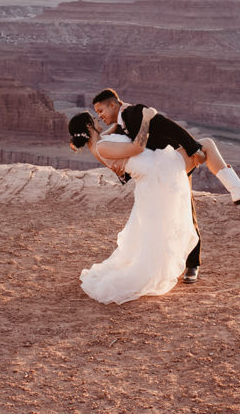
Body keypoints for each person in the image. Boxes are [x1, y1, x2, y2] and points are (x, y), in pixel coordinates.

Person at [92, 88, 240, 283]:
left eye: (101, 111)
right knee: (185, 206)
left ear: (113, 105)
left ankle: (190, 266)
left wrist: (192, 148)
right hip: (165, 168)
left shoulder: (135, 112)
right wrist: (195, 150)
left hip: (169, 163)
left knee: (185, 210)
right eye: (97, 113)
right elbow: (129, 141)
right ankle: (235, 189)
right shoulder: (124, 120)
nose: (100, 116)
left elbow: (172, 128)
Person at [68, 107, 198, 305]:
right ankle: (152, 272)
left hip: (148, 177)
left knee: (153, 229)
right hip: (153, 176)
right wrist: (145, 118)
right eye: (94, 118)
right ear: (88, 125)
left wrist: (120, 115)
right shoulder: (101, 147)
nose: (98, 119)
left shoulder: (98, 142)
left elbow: (110, 132)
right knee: (158, 227)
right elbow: (137, 147)